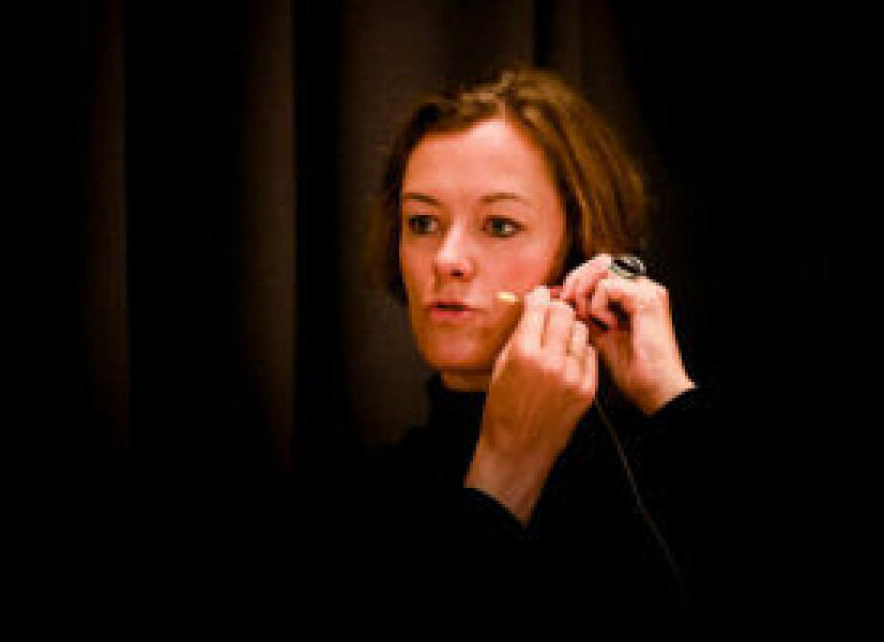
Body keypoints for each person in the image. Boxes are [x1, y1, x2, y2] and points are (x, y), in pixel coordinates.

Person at [287, 65, 724, 619]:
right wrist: (502, 474)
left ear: (579, 251)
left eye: (498, 226)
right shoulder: (351, 504)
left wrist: (670, 397)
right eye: (422, 222)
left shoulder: (647, 477)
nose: (446, 259)